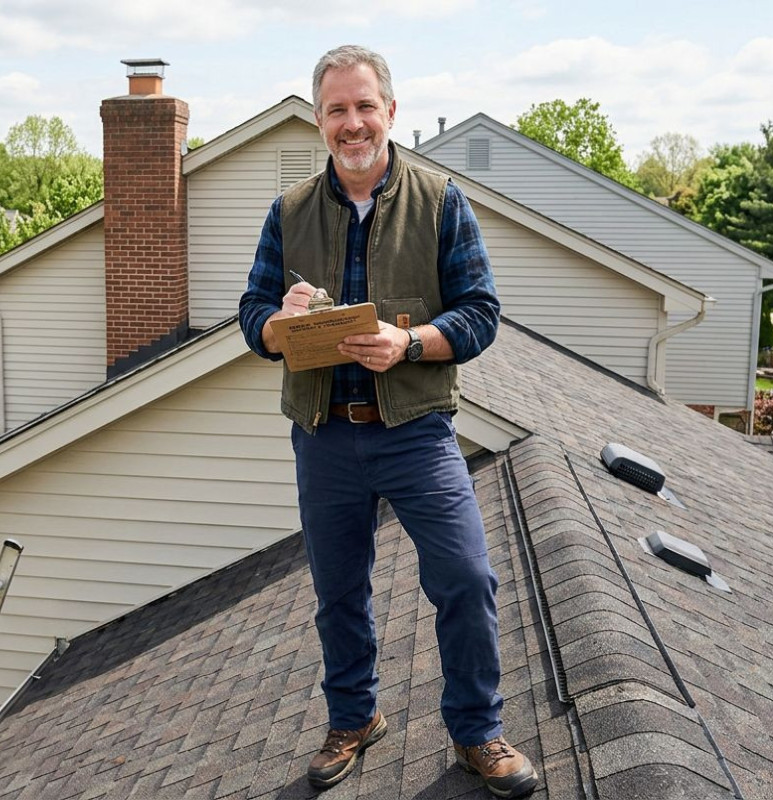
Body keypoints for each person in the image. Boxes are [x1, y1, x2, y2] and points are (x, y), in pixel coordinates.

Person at [237, 45, 538, 798]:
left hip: (415, 431)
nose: (351, 122)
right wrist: (279, 323)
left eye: (364, 106)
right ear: (319, 121)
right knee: (339, 592)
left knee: (466, 578)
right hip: (325, 433)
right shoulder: (290, 211)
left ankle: (478, 733)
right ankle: (353, 719)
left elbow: (481, 314)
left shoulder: (441, 201)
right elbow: (250, 320)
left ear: (391, 112)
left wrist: (409, 343)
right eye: (336, 110)